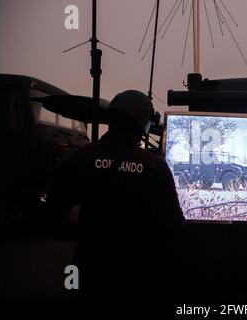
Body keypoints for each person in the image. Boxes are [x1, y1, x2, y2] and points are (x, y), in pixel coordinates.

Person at [45, 90, 184, 299]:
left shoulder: (77, 158)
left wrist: (86, 236)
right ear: (144, 122)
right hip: (137, 272)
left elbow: (51, 221)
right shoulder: (156, 167)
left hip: (85, 267)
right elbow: (173, 224)